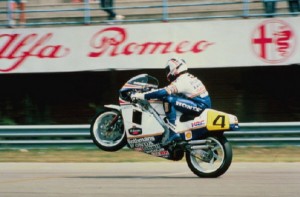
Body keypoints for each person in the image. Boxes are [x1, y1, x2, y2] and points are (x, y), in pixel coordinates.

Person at [131, 57, 211, 147]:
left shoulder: (182, 80)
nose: (168, 72)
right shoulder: (188, 77)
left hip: (199, 106)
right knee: (171, 97)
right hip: (200, 104)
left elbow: (165, 91)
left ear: (174, 68)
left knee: (168, 99)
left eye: (168, 70)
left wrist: (141, 95)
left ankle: (173, 132)